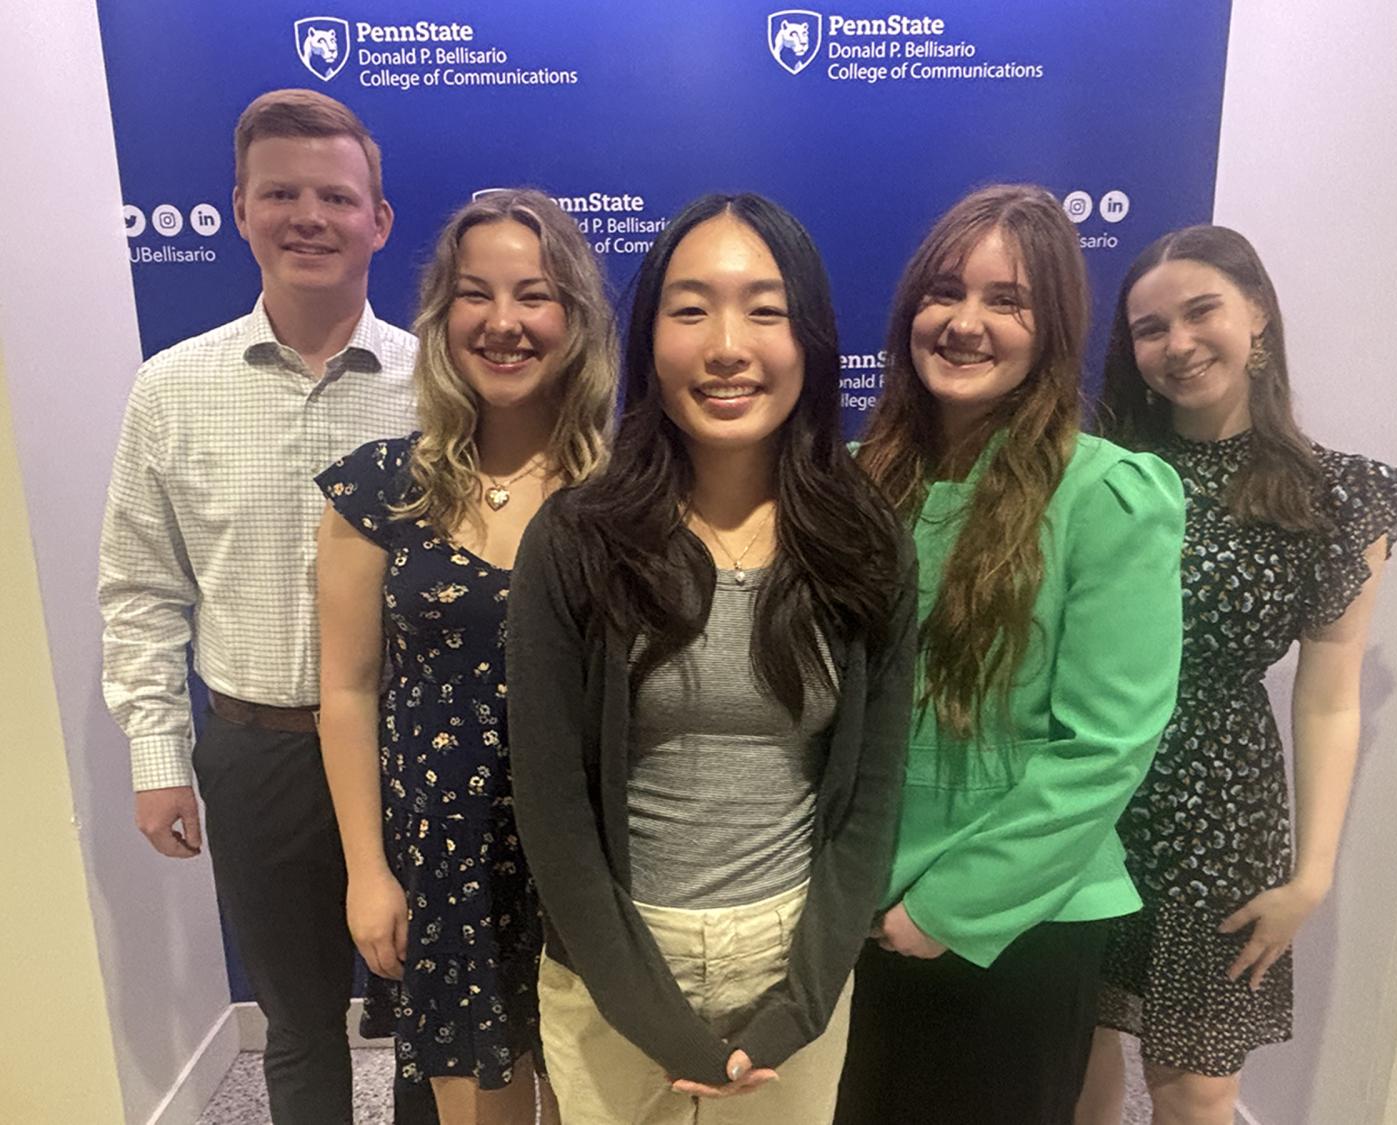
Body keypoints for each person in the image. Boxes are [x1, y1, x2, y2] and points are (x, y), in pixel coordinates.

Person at [506, 193, 918, 1124]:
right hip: (616, 962)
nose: (727, 344)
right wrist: (647, 1011)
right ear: (649, 339)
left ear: (808, 337)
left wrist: (801, 1003)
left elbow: (871, 800)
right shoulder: (576, 540)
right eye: (690, 309)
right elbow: (552, 805)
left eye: (764, 310)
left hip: (790, 961)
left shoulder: (868, 541)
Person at [99, 89, 437, 1125]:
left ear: (377, 221)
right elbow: (141, 590)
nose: (307, 215)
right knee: (296, 1027)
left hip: (418, 750)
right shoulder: (171, 388)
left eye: (335, 196)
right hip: (259, 755)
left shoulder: (445, 389)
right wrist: (157, 761)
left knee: (435, 1019)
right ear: (238, 209)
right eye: (279, 192)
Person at [834, 184, 1186, 1125]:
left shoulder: (1108, 493)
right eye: (945, 291)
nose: (965, 322)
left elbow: (1109, 742)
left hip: (1011, 929)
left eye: (1007, 300)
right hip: (849, 913)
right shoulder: (857, 478)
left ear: (1054, 326)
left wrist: (945, 911)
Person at [1076, 225, 1397, 1125]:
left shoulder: (1338, 497)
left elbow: (1331, 695)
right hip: (1084, 797)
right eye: (1150, 329)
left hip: (1219, 824)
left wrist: (1312, 876)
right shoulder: (1100, 472)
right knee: (1076, 1059)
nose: (1178, 345)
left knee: (1196, 1090)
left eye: (1201, 311)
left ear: (1256, 312)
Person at [314, 189, 616, 1124]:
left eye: (534, 294)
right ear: (442, 318)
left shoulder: (628, 491)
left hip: (592, 857)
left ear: (575, 316)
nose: (504, 322)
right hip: (446, 861)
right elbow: (348, 692)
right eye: (474, 295)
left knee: (588, 1096)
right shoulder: (379, 487)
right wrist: (369, 870)